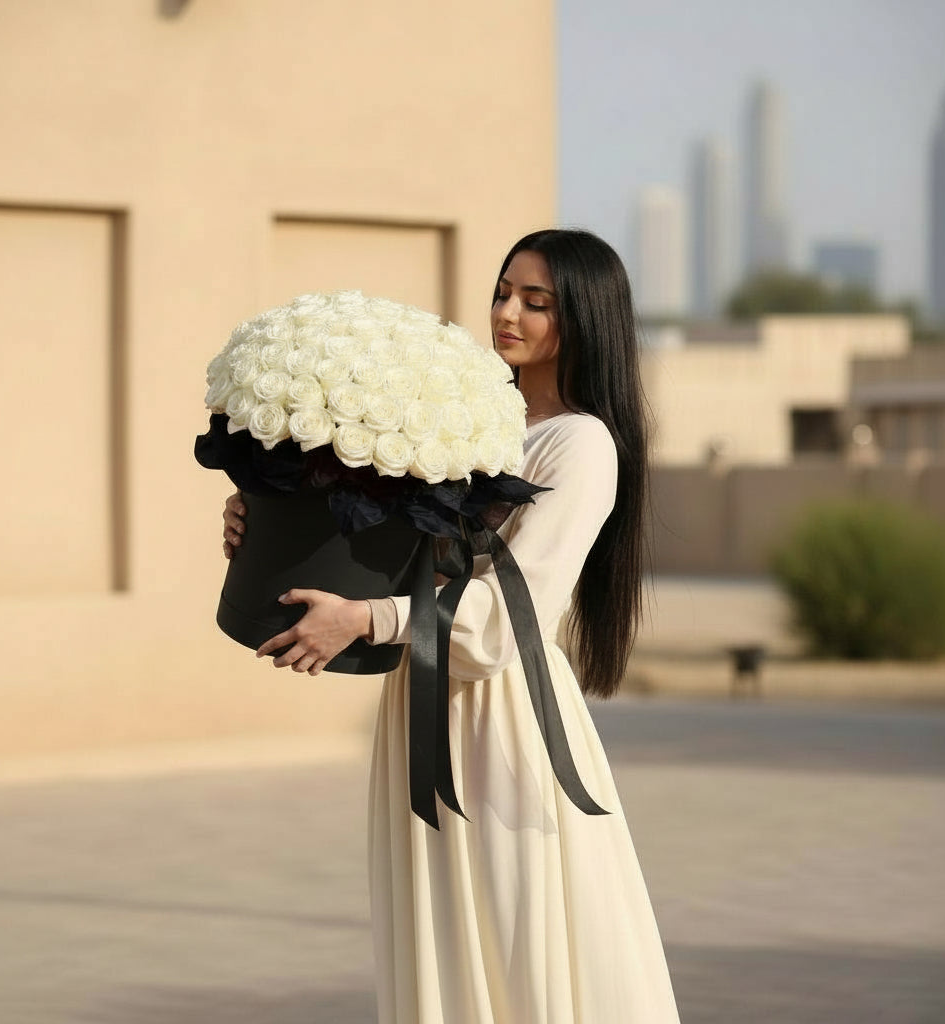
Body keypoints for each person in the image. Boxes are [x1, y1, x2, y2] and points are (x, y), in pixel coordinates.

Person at [222, 229, 680, 1023]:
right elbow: (395, 545)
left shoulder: (580, 444)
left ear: (586, 319)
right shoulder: (467, 428)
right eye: (504, 292)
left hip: (504, 718)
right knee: (435, 926)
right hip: (421, 701)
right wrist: (268, 516)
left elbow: (511, 619)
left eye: (536, 302)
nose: (508, 313)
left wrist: (365, 619)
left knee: (514, 933)